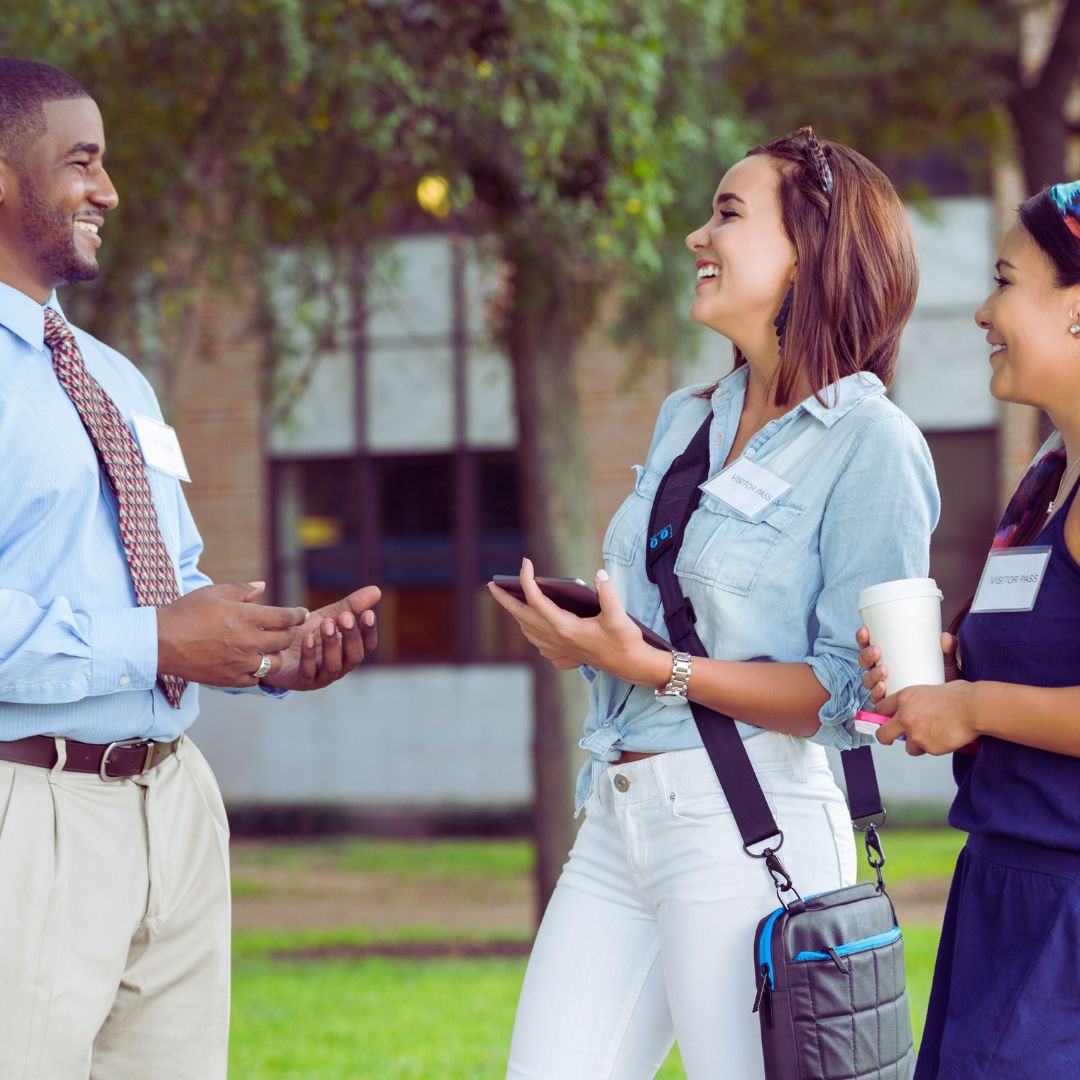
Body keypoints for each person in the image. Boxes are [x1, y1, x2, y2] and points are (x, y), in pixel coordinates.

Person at [489, 128, 940, 1079]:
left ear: (810, 252)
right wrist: (589, 643)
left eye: (728, 214)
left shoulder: (874, 444)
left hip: (753, 824)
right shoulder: (689, 417)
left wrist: (654, 667)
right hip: (618, 813)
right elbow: (666, 613)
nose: (698, 235)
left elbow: (849, 698)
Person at [0, 59, 380, 1079]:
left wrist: (264, 655)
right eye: (82, 162)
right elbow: (148, 626)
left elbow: (166, 579)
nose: (109, 192)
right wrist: (158, 640)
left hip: (173, 807)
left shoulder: (113, 376)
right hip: (27, 814)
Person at [859, 180, 1080, 1079]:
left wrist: (978, 706)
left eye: (1005, 281)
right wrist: (947, 677)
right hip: (1003, 895)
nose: (983, 310)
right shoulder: (1047, 479)